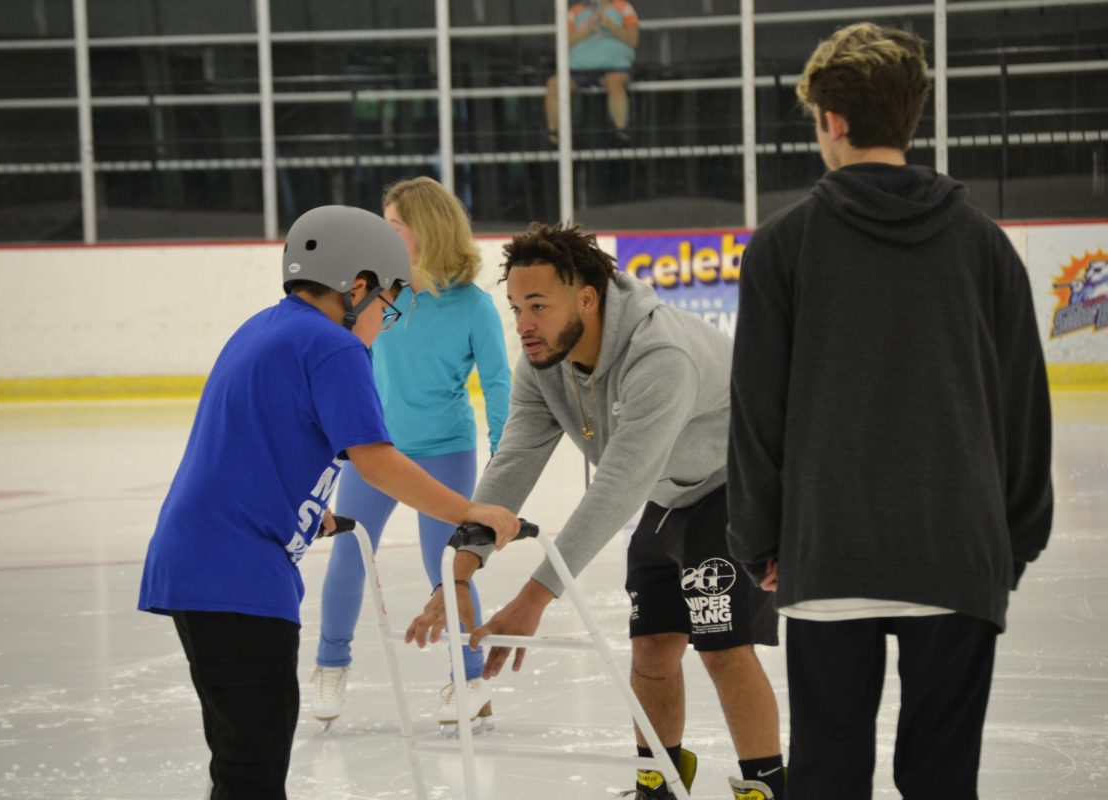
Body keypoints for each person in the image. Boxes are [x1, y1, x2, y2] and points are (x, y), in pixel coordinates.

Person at [726, 22, 1054, 800]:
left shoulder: (782, 246)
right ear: (908, 118)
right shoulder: (987, 247)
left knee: (829, 777)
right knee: (943, 783)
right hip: (957, 561)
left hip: (829, 557)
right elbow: (1023, 413)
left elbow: (756, 415)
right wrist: (1009, 547)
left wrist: (758, 541)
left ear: (832, 122)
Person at [137, 205, 519, 800]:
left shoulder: (266, 327)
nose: (385, 322)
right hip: (237, 579)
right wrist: (469, 512)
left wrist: (307, 512)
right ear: (357, 286)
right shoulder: (333, 346)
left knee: (241, 765)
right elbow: (377, 460)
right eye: (388, 306)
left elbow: (253, 444)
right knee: (253, 774)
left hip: (200, 566)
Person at [406, 223, 786, 800]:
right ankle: (657, 780)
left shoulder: (660, 355)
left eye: (538, 305)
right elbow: (513, 465)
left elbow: (617, 488)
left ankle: (768, 788)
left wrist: (533, 599)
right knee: (653, 645)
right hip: (666, 495)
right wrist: (458, 569)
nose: (524, 324)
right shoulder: (542, 363)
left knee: (721, 645)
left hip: (732, 489)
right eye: (515, 307)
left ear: (586, 297)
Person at [309, 177, 512, 732]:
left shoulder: (473, 307)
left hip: (445, 451)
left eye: (394, 224)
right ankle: (330, 664)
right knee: (350, 557)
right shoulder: (378, 294)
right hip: (377, 452)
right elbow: (347, 367)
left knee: (447, 569)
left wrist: (503, 456)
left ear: (425, 229)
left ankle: (469, 678)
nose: (384, 233)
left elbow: (498, 383)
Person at [546, 0, 641, 145]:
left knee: (614, 82)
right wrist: (587, 29)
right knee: (554, 84)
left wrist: (611, 25)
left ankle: (621, 134)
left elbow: (633, 39)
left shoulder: (624, 8)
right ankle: (554, 137)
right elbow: (565, 41)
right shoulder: (574, 11)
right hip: (578, 69)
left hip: (614, 66)